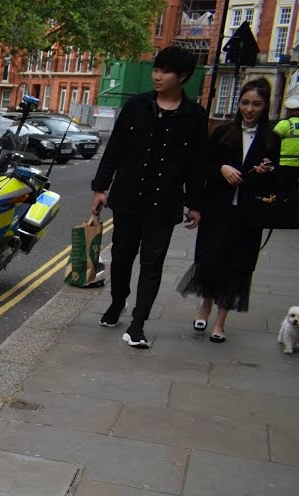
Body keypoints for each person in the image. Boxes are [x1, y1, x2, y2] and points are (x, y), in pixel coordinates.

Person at [91, 46, 208, 349]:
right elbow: (114, 149)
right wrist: (100, 188)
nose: (157, 75)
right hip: (128, 197)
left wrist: (195, 204)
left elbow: (198, 165)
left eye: (165, 71)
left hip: (165, 203)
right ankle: (118, 302)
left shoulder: (194, 116)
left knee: (152, 263)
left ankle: (138, 324)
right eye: (156, 69)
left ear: (182, 76)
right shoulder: (136, 106)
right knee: (121, 257)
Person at [176, 77, 280, 343]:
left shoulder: (271, 138)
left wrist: (264, 172)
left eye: (256, 104)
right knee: (210, 261)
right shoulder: (223, 133)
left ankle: (220, 322)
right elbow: (204, 168)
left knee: (238, 267)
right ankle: (205, 306)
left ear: (265, 105)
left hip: (247, 215)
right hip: (217, 210)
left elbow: (274, 181)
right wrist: (221, 168)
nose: (249, 109)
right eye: (245, 103)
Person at [272, 94, 299, 190]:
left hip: (284, 165)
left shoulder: (284, 124)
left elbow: (271, 143)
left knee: (281, 192)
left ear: (290, 111)